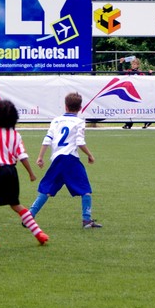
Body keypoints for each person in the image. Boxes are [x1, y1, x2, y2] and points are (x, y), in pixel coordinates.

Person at [0, 98, 48, 249]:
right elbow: (22, 156)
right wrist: (31, 173)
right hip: (11, 172)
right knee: (15, 204)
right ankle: (39, 233)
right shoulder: (15, 134)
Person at [30, 92, 101, 228]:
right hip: (70, 159)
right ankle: (86, 220)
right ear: (80, 108)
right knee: (85, 189)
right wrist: (90, 155)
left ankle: (30, 215)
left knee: (47, 188)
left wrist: (40, 157)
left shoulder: (56, 120)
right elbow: (80, 142)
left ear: (65, 106)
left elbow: (47, 139)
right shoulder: (79, 122)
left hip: (57, 159)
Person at [119, 57, 149, 129]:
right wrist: (120, 63)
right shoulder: (128, 71)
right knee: (130, 108)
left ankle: (147, 122)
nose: (133, 65)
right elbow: (120, 72)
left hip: (139, 93)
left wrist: (150, 73)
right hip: (130, 93)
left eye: (135, 64)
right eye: (132, 64)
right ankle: (128, 124)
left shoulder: (140, 73)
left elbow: (147, 79)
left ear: (138, 65)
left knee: (141, 108)